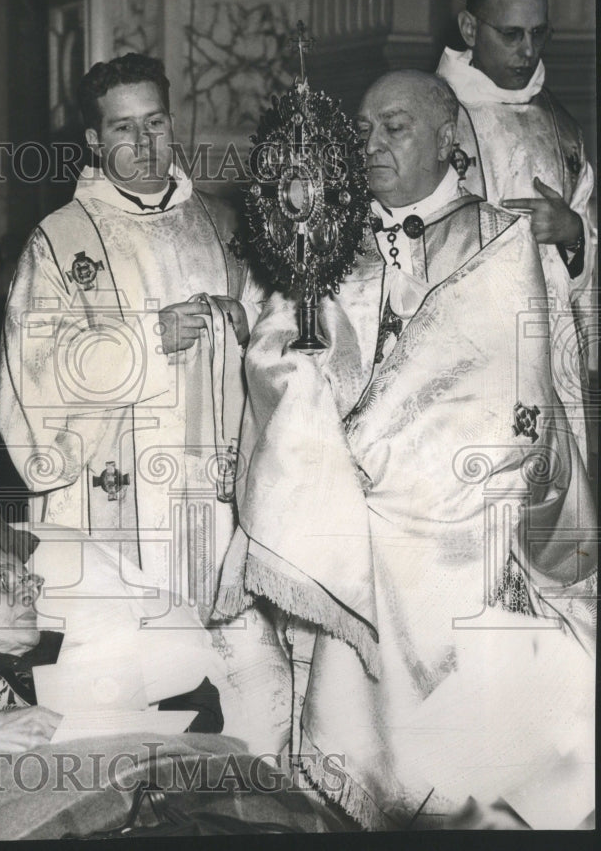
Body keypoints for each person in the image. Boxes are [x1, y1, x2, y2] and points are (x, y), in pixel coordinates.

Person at [213, 70, 596, 830]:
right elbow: (275, 362)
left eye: (396, 126)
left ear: (450, 137)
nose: (373, 143)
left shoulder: (505, 240)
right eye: (361, 129)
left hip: (470, 537)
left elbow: (542, 388)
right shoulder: (325, 246)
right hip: (354, 536)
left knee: (474, 764)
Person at [0, 53, 264, 605]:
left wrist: (247, 322)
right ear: (95, 140)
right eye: (124, 127)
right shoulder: (59, 241)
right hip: (111, 495)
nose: (145, 143)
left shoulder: (226, 224)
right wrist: (147, 342)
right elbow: (33, 377)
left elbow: (281, 332)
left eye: (155, 122)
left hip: (215, 496)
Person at [0, 511, 223, 810]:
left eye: (30, 583)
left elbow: (200, 702)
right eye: (2, 580)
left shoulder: (65, 651)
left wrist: (143, 725)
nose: (28, 595)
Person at [436, 0, 596, 454]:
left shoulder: (562, 128)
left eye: (539, 33)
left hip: (550, 358)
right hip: (466, 356)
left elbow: (587, 236)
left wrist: (573, 234)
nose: (529, 51)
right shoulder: (432, 118)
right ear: (469, 28)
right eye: (511, 34)